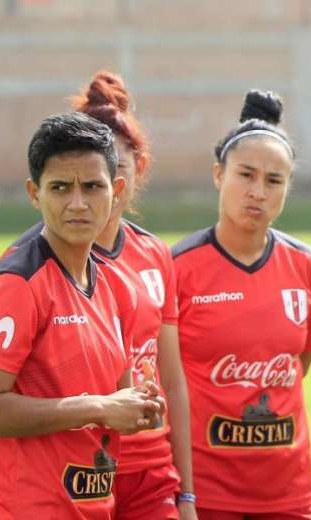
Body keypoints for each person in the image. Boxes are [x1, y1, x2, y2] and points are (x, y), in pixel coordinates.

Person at [0, 112, 165, 518]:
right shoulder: (16, 285)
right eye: (60, 188)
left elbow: (117, 401)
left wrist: (138, 406)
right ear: (34, 193)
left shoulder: (116, 287)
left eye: (92, 186)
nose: (77, 203)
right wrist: (99, 407)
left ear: (116, 190)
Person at [172, 90, 311, 520]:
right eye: (246, 175)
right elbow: (165, 378)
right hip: (207, 493)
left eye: (274, 181)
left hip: (289, 492)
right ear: (218, 175)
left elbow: (299, 362)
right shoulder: (177, 267)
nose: (258, 192)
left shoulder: (305, 265)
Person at [70, 71, 197, 520]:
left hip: (151, 472)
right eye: (93, 174)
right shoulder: (46, 261)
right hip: (80, 466)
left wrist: (187, 495)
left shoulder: (155, 255)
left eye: (117, 169)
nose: (107, 185)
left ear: (137, 168)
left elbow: (172, 381)